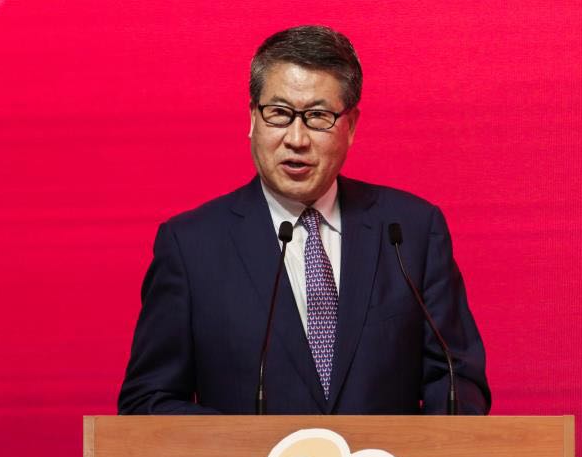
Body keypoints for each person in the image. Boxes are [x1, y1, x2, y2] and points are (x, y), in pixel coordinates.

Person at [118, 25, 491, 415]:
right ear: (252, 118)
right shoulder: (191, 246)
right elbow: (148, 402)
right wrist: (244, 443)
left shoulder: (411, 231)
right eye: (279, 114)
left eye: (317, 117)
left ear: (351, 126)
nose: (296, 139)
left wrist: (415, 450)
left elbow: (457, 380)